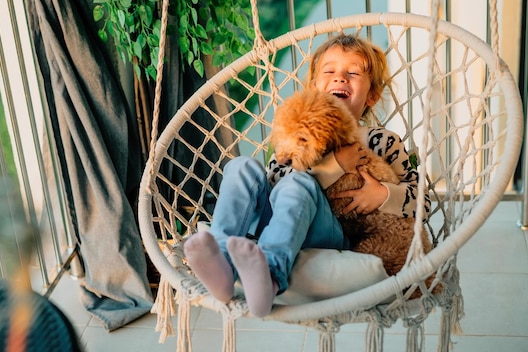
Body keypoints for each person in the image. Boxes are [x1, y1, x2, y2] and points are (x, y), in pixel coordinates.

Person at [184, 34, 430, 317]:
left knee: (300, 182)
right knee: (240, 166)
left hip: (329, 233)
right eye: (329, 71)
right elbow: (277, 183)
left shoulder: (382, 141)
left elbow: (421, 200)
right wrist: (335, 165)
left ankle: (271, 275)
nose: (340, 79)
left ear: (372, 95)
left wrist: (384, 195)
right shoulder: (295, 130)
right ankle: (222, 260)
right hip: (278, 221)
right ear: (313, 87)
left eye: (352, 73)